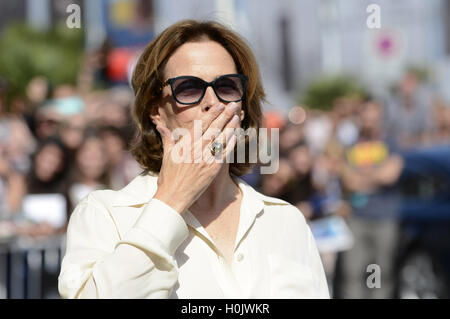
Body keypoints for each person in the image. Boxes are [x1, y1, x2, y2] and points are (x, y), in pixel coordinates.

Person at [58, 20, 329, 299]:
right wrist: (171, 201)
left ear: (243, 109)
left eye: (227, 86)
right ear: (156, 111)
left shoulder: (285, 220)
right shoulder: (105, 214)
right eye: (188, 88)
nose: (212, 102)